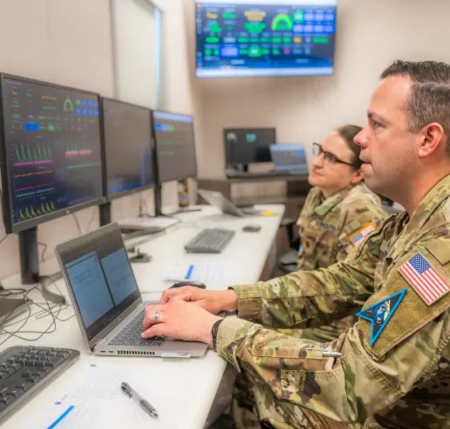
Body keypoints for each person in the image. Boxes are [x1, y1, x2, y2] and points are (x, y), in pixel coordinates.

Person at [142, 60, 450, 428]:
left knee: (255, 391)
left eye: (377, 124)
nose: (360, 138)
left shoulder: (440, 247)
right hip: (386, 401)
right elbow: (340, 283)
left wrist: (212, 329)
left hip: (397, 415)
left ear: (428, 140)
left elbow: (346, 385)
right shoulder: (413, 220)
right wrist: (229, 299)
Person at [288, 125, 388, 342]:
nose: (316, 162)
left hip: (336, 330)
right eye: (320, 151)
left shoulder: (359, 210)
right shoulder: (317, 193)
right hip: (306, 308)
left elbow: (356, 291)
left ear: (357, 174)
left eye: (331, 158)